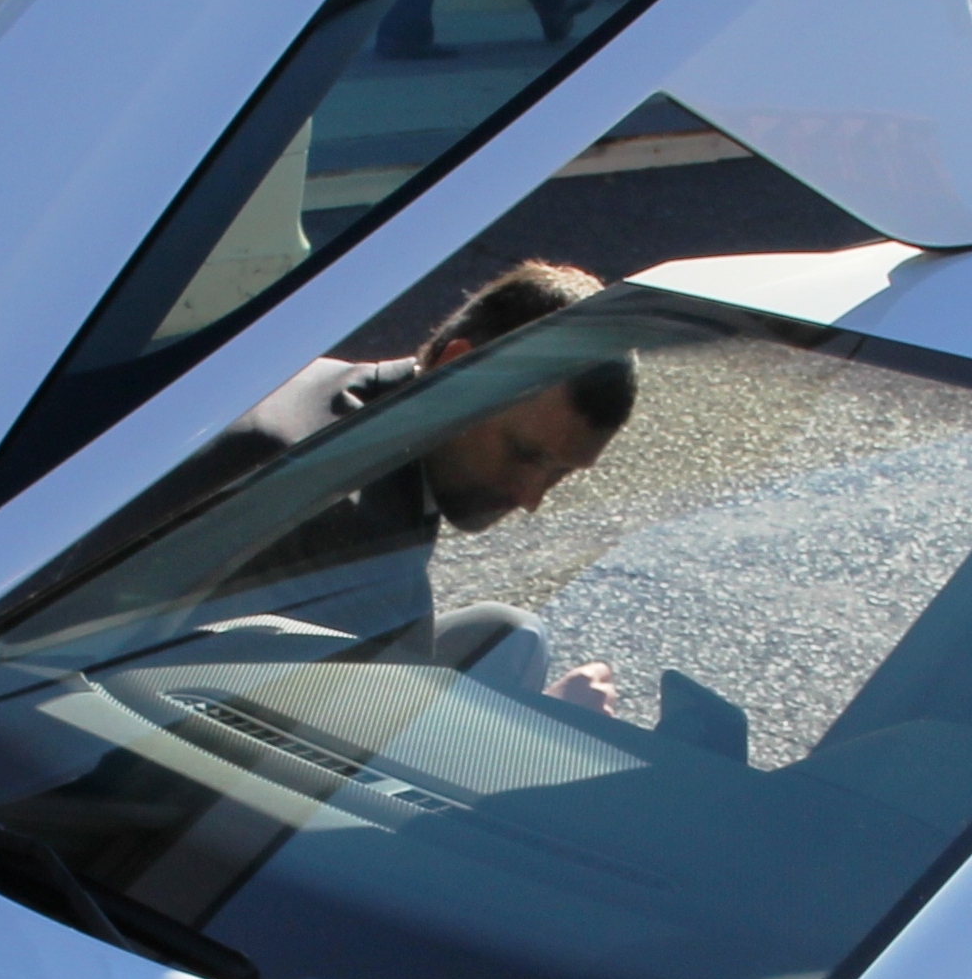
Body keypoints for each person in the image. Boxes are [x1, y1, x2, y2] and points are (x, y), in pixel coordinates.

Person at [185, 259, 638, 701]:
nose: (530, 496)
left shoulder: (331, 394)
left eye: (560, 473)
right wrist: (546, 725)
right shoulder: (351, 529)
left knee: (510, 634)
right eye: (523, 454)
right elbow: (359, 740)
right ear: (459, 370)